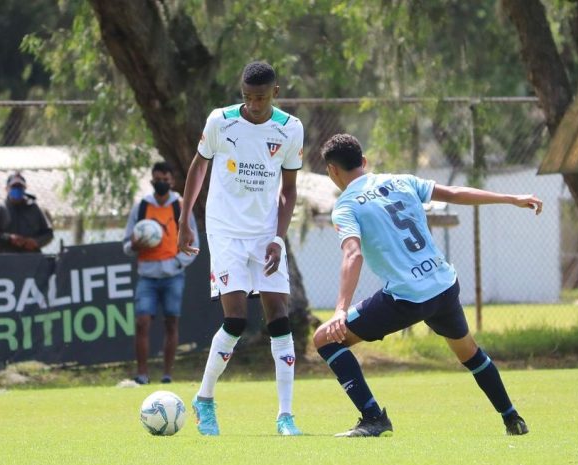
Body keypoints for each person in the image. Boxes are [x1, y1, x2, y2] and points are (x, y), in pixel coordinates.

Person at [314, 133, 543, 437]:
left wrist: (340, 310)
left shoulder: (345, 206)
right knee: (470, 354)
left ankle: (373, 418)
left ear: (332, 171)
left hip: (407, 297)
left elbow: (352, 253)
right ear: (364, 162)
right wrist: (510, 198)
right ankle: (512, 417)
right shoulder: (402, 181)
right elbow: (456, 192)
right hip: (443, 285)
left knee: (325, 340)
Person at [177, 61, 305, 436]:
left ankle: (285, 416)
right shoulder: (221, 121)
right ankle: (205, 399)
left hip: (264, 233)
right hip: (225, 230)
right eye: (247, 97)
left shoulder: (290, 128)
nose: (253, 104)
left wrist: (278, 237)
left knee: (279, 314)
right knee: (235, 319)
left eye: (261, 98)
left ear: (275, 93)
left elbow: (290, 189)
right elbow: (198, 167)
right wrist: (185, 218)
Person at [123, 161, 198, 385]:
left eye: (166, 180)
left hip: (173, 276)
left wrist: (177, 263)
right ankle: (143, 374)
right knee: (142, 322)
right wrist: (135, 245)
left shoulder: (180, 206)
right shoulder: (142, 207)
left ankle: (167, 374)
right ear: (151, 181)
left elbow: (193, 242)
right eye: (158, 180)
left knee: (171, 322)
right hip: (147, 275)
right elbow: (127, 243)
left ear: (172, 181)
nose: (161, 183)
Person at [0, 173, 54, 253]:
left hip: (32, 258)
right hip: (6, 259)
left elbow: (48, 233)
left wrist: (36, 242)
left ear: (25, 188)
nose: (17, 189)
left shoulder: (35, 209)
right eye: (14, 186)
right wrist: (8, 238)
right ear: (7, 189)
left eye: (20, 187)